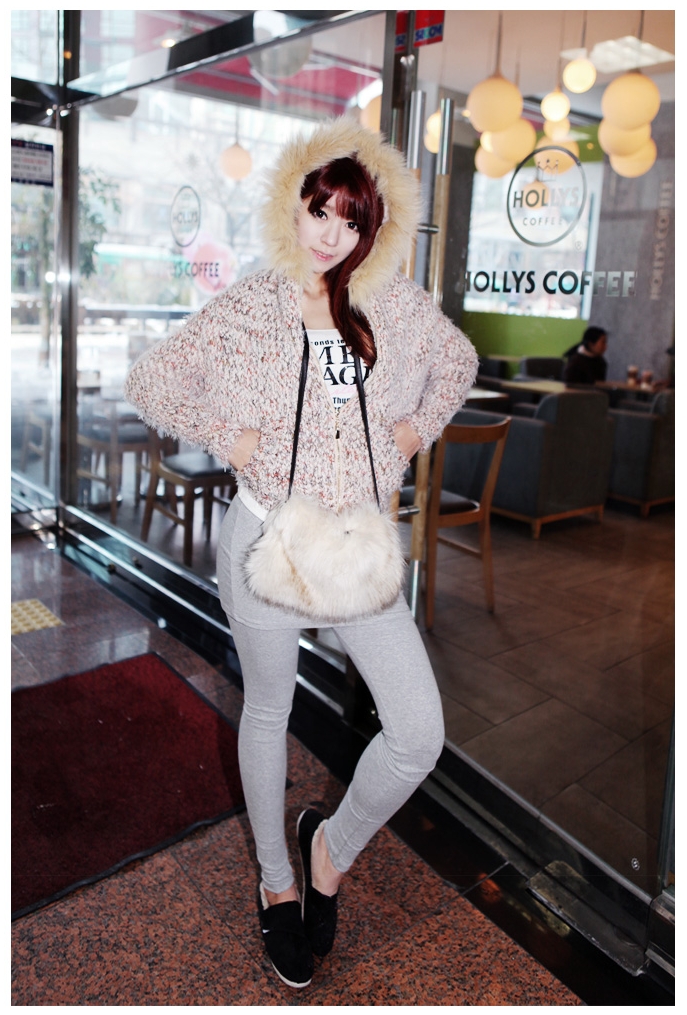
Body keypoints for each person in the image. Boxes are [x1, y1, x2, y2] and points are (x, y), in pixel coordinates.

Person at [125, 118, 478, 990]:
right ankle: (277, 883)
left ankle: (329, 849)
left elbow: (457, 361)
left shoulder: (394, 303)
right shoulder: (254, 303)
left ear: (373, 227)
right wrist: (230, 436)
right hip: (266, 543)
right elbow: (152, 378)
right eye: (319, 210)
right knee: (268, 710)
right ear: (293, 205)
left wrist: (412, 429)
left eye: (350, 219)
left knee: (417, 732)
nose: (330, 234)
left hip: (356, 553)